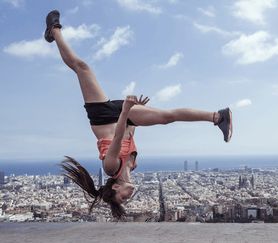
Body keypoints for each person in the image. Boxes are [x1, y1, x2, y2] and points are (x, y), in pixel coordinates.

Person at [44, 10, 233, 219]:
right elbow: (127, 136)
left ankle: (54, 31)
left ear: (115, 188)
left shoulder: (110, 168)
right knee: (166, 117)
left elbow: (116, 137)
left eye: (123, 198)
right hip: (124, 117)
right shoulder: (133, 165)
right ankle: (217, 117)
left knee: (82, 68)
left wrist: (127, 110)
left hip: (103, 116)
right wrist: (136, 116)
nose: (128, 197)